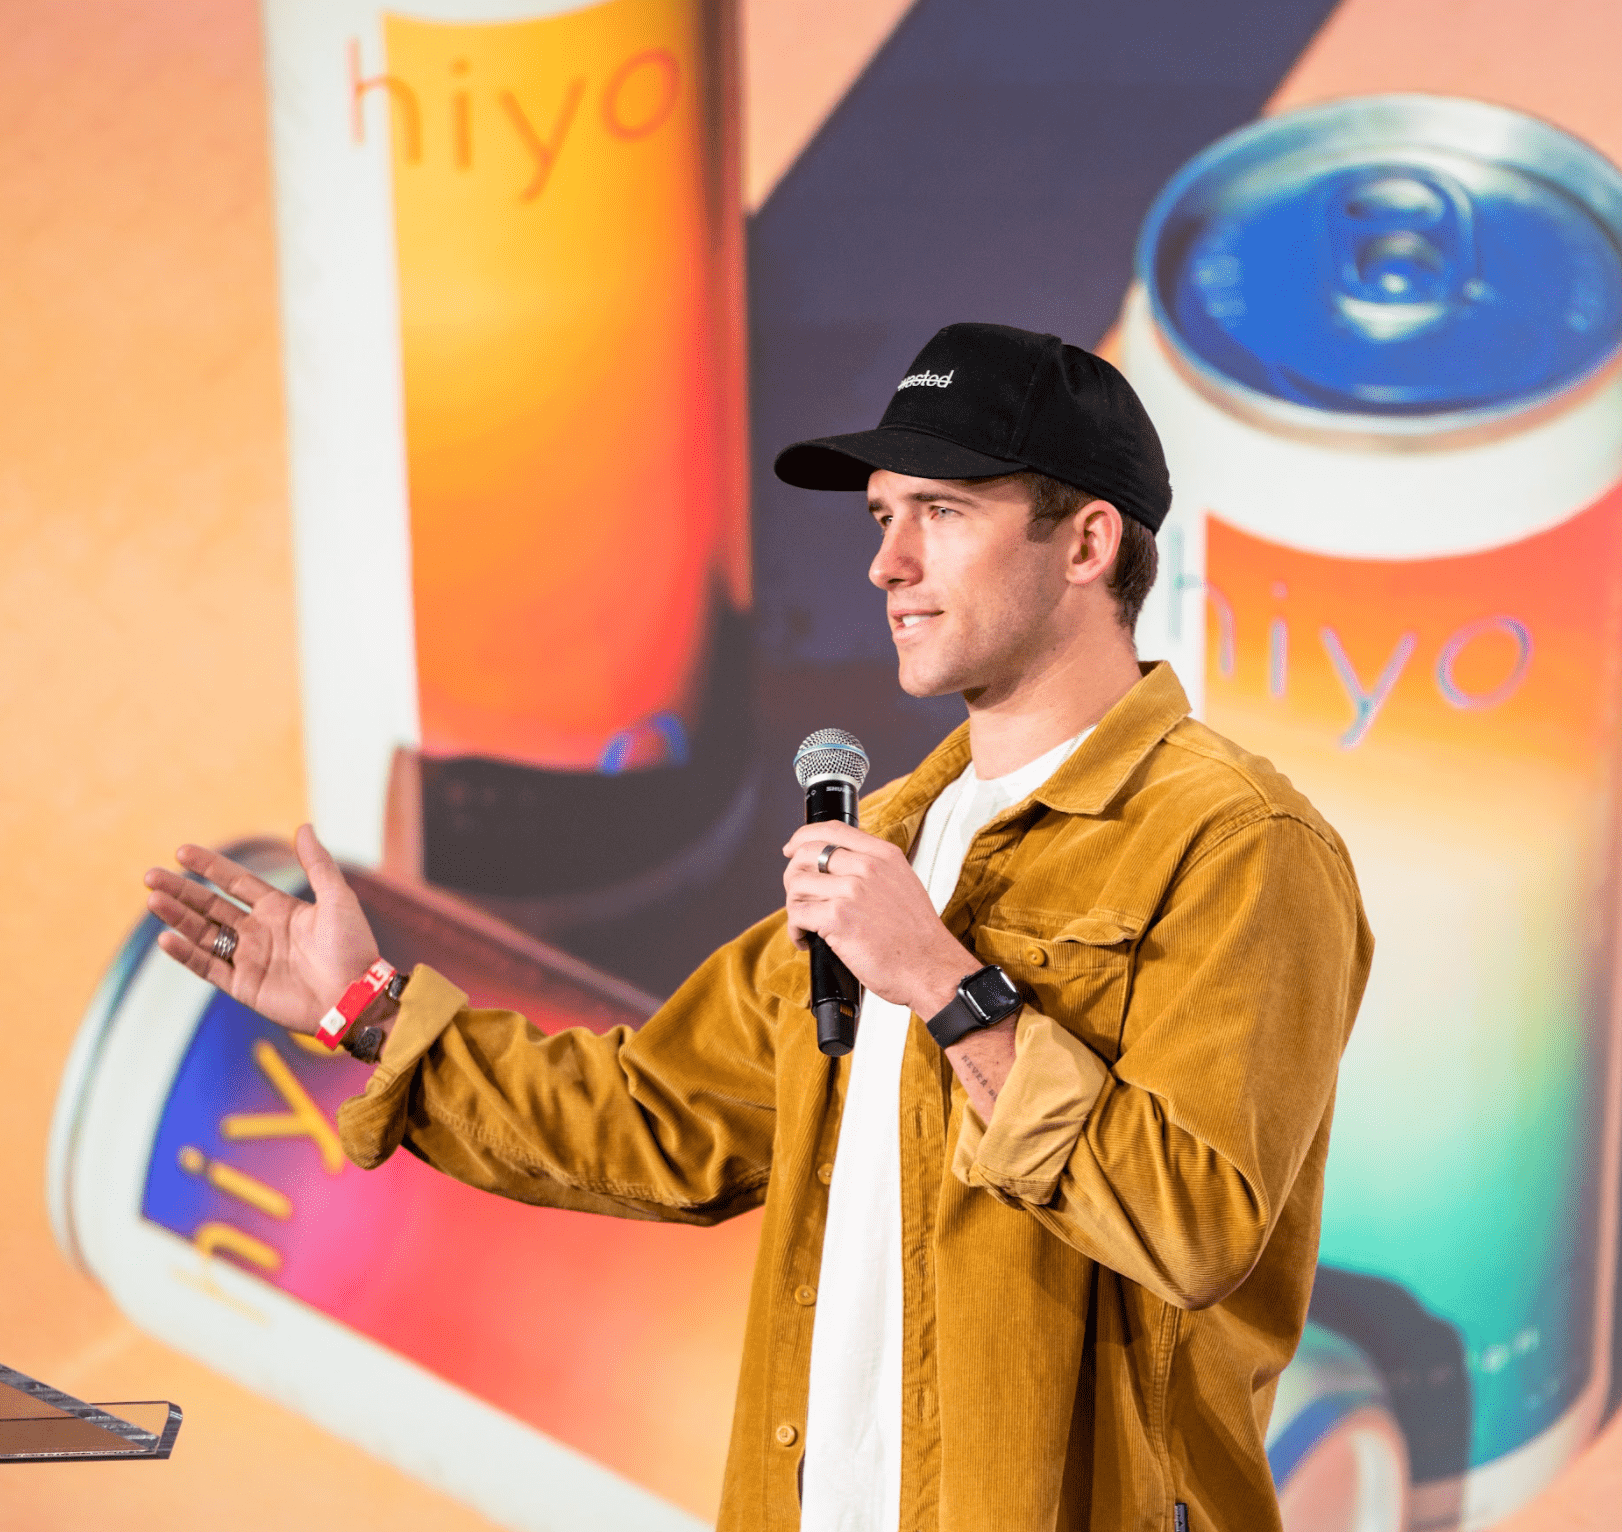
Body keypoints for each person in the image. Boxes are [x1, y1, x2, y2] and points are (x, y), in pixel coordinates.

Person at [142, 322, 1372, 1532]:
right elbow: (648, 1118)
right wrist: (364, 1006)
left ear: (1087, 542)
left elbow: (1193, 1223)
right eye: (878, 518)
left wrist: (946, 987)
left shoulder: (1236, 843)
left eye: (939, 512)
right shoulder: (887, 841)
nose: (886, 563)